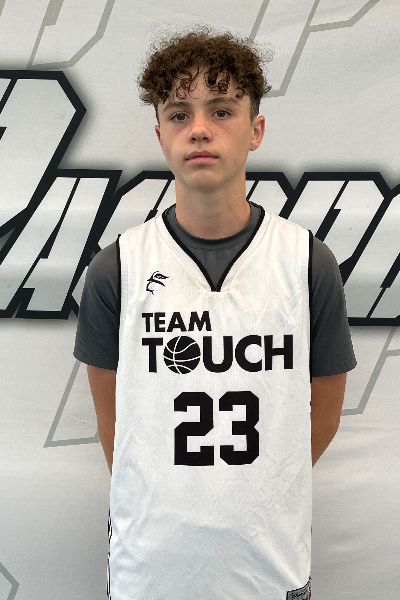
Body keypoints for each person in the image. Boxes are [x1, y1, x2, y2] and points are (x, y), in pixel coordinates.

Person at [74, 26, 356, 600]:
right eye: (179, 114)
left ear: (256, 130)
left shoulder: (306, 262)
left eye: (221, 110)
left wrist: (258, 490)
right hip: (149, 568)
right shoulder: (117, 268)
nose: (199, 128)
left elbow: (323, 414)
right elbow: (116, 428)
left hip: (269, 567)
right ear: (160, 135)